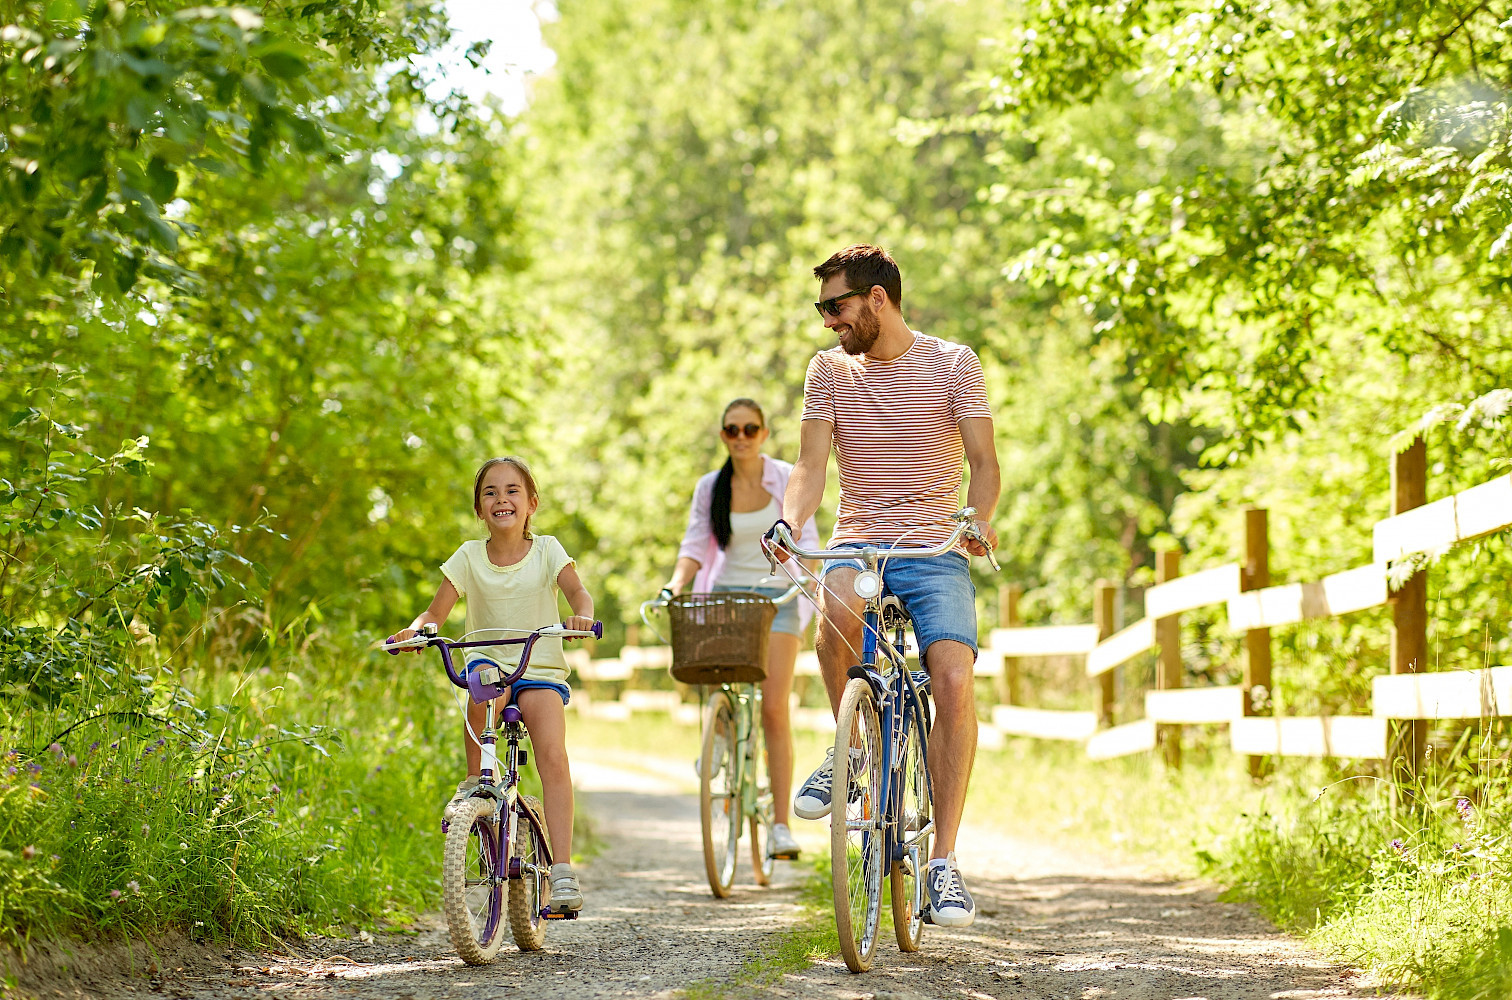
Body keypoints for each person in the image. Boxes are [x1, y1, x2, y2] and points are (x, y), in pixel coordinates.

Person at [772, 244, 1000, 928]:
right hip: (859, 538)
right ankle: (856, 747)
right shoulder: (828, 372)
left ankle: (944, 863)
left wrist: (978, 520)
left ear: (878, 300)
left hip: (936, 547)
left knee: (953, 676)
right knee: (834, 610)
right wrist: (791, 522)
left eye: (835, 307)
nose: (826, 323)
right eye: (823, 309)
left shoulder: (955, 363)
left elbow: (985, 462)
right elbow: (811, 467)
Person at [391, 456, 596, 914]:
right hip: (490, 660)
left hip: (538, 664)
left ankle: (562, 869)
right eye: (490, 493)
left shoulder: (547, 550)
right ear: (479, 509)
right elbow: (434, 614)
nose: (501, 499)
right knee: (480, 689)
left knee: (552, 751)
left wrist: (581, 613)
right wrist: (417, 630)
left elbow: (577, 592)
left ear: (531, 504)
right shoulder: (467, 557)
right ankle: (475, 784)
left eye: (512, 491)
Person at [665, 398, 820, 862]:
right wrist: (676, 584)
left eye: (750, 429)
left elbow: (807, 541)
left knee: (774, 708)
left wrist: (803, 572)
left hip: (777, 598)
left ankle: (779, 827)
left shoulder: (785, 478)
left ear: (764, 434)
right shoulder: (711, 487)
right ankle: (717, 737)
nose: (741, 438)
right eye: (732, 430)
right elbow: (694, 542)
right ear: (723, 437)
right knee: (713, 675)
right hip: (726, 596)